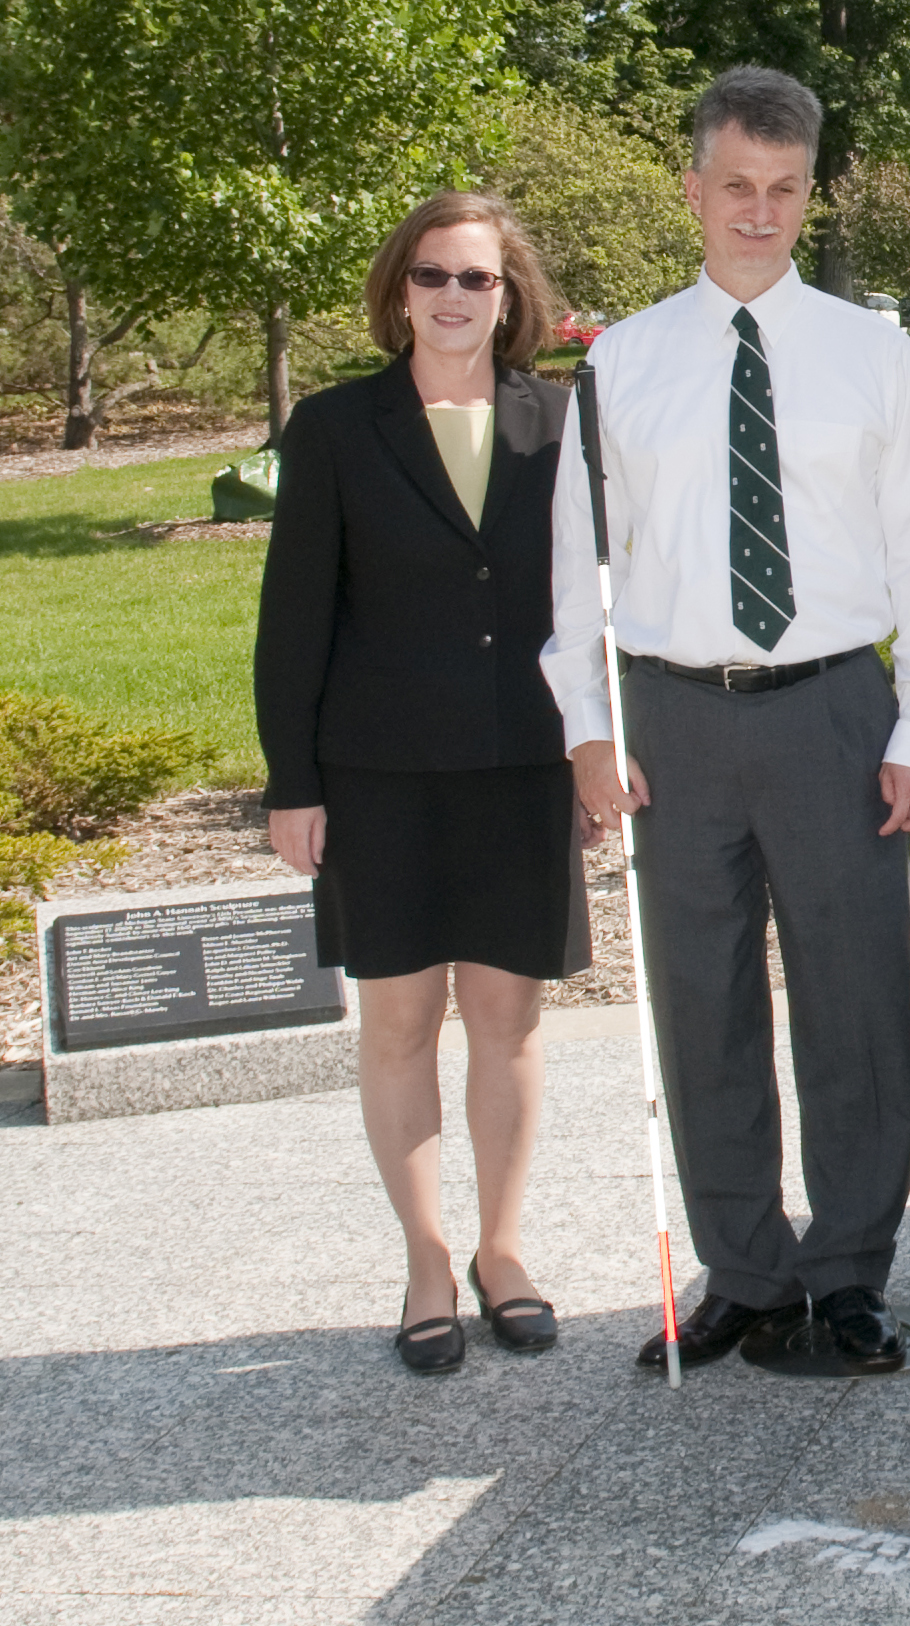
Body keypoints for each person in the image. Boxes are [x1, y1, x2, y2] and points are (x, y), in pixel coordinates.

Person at [546, 66, 910, 1378]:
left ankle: (845, 1273)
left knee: (850, 1001)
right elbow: (577, 559)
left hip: (834, 712)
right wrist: (586, 727)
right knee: (700, 1001)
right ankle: (743, 1271)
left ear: (806, 195)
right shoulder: (620, 366)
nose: (758, 212)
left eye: (783, 190)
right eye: (735, 186)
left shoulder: (870, 353)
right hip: (672, 717)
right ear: (692, 189)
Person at [256, 193, 589, 1375]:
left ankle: (504, 1250)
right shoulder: (339, 428)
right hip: (380, 772)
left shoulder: (560, 423)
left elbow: (595, 604)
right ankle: (427, 1259)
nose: (455, 298)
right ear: (401, 289)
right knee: (400, 1022)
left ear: (512, 300)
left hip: (519, 768)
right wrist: (291, 781)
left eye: (479, 280)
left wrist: (599, 749)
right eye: (435, 276)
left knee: (507, 1019)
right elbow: (293, 618)